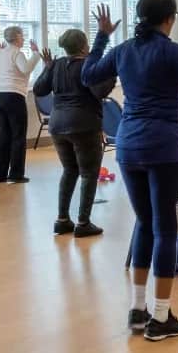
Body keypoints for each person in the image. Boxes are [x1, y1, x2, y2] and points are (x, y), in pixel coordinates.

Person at [82, 0, 178, 341]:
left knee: (145, 223)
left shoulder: (122, 50)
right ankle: (161, 317)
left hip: (129, 148)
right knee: (164, 228)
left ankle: (137, 310)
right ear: (170, 19)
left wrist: (102, 36)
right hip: (165, 148)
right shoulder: (170, 51)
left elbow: (88, 75)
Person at [33, 29, 116, 237]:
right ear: (83, 46)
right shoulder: (88, 65)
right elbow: (100, 91)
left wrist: (47, 68)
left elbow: (39, 89)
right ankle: (83, 222)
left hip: (57, 125)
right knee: (89, 173)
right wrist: (112, 73)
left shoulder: (57, 64)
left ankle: (62, 220)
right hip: (84, 125)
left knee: (70, 170)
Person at [0, 26, 40, 184]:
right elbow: (25, 69)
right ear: (16, 37)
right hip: (14, 95)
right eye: (22, 36)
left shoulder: (2, 52)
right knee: (18, 135)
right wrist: (36, 54)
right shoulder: (17, 52)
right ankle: (15, 175)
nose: (23, 39)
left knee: (5, 134)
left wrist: (1, 55)